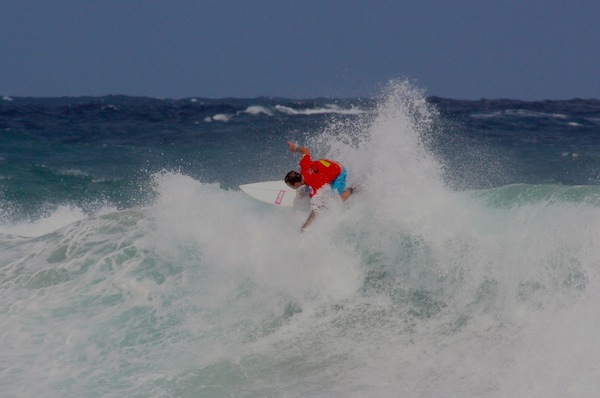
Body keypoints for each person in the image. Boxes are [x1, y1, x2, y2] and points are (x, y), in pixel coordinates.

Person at [285, 141, 354, 232]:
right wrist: (295, 148)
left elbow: (316, 212)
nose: (289, 187)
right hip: (327, 164)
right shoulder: (303, 165)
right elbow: (305, 150)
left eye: (290, 185)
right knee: (302, 192)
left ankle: (351, 189)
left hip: (339, 172)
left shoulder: (314, 188)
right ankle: (325, 179)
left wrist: (305, 227)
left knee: (335, 201)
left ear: (296, 184)